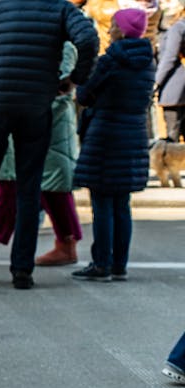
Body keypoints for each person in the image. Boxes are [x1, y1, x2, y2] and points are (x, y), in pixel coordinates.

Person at [0, 0, 97, 289]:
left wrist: (1, 75)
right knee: (29, 187)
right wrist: (74, 79)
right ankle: (22, 270)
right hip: (36, 102)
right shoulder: (60, 9)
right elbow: (88, 38)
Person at [72, 8, 156, 282]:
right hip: (133, 135)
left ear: (122, 30)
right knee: (122, 202)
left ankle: (101, 264)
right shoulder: (147, 61)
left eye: (113, 27)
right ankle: (120, 264)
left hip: (105, 134)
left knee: (102, 201)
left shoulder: (110, 60)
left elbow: (85, 93)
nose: (109, 31)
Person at [157, 1, 185, 141]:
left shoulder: (177, 28)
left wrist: (156, 81)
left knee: (172, 137)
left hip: (174, 86)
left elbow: (169, 57)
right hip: (179, 87)